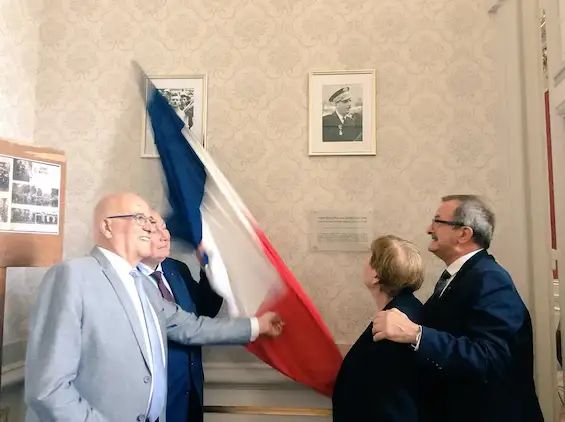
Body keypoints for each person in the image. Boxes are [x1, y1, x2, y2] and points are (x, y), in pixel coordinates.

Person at [24, 192, 283, 422]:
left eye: (151, 220)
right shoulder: (72, 276)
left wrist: (256, 325)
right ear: (107, 226)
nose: (151, 228)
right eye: (140, 218)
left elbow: (192, 327)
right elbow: (48, 390)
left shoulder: (145, 286)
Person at [371, 194, 544, 422]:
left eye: (437, 221)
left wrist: (415, 334)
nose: (428, 229)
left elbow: (490, 359)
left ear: (464, 234)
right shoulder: (462, 276)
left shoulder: (490, 278)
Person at [138, 210, 223, 422]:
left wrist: (208, 269)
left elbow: (204, 313)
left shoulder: (177, 269)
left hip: (189, 395)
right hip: (150, 403)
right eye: (154, 231)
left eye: (164, 228)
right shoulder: (125, 278)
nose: (165, 236)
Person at [332, 235, 424, 422]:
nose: (363, 263)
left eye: (368, 258)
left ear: (376, 276)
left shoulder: (395, 326)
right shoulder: (407, 310)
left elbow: (387, 402)